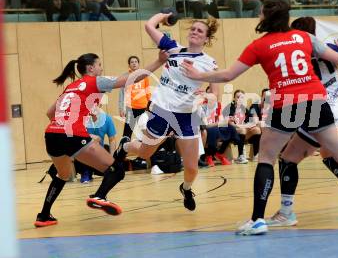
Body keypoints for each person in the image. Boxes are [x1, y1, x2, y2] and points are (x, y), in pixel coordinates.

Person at [181, 0, 338, 236]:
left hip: (287, 103)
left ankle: (258, 220)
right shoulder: (304, 38)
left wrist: (200, 74)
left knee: (267, 158)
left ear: (267, 18)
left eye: (261, 13)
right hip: (316, 100)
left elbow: (228, 75)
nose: (259, 16)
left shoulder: (259, 45)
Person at [34, 52, 167, 227]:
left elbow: (50, 113)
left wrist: (63, 129)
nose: (101, 68)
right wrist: (159, 61)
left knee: (63, 175)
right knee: (116, 169)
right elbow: (131, 79)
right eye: (99, 65)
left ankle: (43, 216)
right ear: (91, 68)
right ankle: (99, 196)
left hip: (51, 135)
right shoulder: (95, 81)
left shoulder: (71, 87)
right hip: (72, 135)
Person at [265, 16, 338, 227]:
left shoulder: (299, 54)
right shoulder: (326, 48)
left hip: (323, 115)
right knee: (329, 154)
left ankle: (286, 212)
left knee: (288, 159)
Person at [112, 12, 220, 211]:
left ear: (206, 38)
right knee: (144, 153)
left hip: (187, 116)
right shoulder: (173, 48)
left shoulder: (209, 63)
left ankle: (186, 189)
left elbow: (214, 95)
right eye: (193, 29)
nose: (195, 32)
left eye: (200, 31)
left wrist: (206, 97)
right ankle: (125, 147)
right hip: (162, 111)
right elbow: (149, 26)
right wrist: (164, 15)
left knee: (192, 168)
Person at [223, 89, 262, 164]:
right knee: (242, 130)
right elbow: (230, 123)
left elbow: (252, 121)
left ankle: (255, 155)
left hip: (244, 131)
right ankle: (240, 156)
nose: (239, 99)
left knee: (257, 130)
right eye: (238, 97)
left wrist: (251, 124)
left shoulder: (244, 108)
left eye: (242, 97)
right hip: (233, 133)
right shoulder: (230, 107)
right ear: (234, 98)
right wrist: (241, 126)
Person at [119, 55, 151, 140]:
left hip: (143, 107)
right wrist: (121, 108)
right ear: (129, 65)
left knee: (145, 131)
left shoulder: (144, 76)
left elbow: (148, 92)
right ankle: (123, 150)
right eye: (132, 62)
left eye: (135, 62)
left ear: (138, 64)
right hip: (130, 108)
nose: (134, 64)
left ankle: (145, 151)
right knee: (127, 132)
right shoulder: (125, 77)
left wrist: (150, 106)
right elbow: (122, 93)